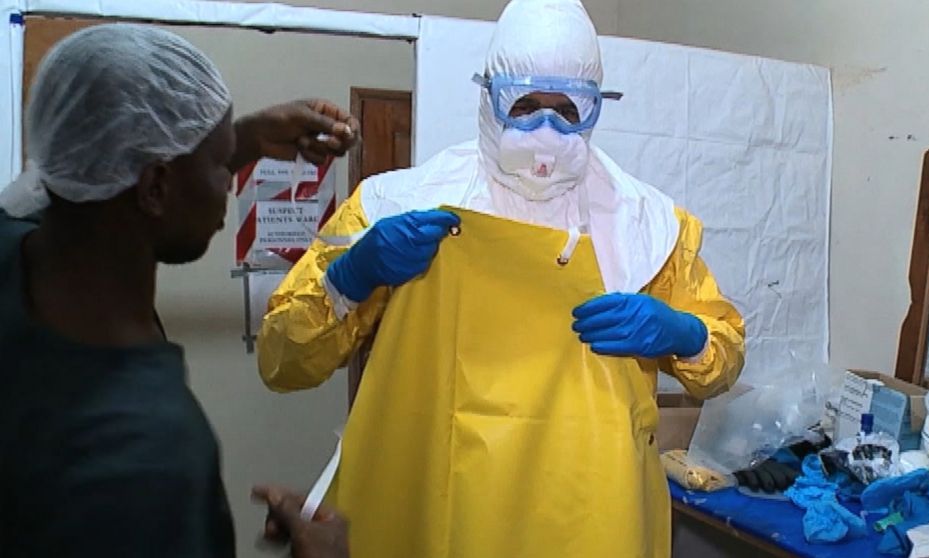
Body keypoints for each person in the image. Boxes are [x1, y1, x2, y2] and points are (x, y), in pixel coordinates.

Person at [257, 0, 745, 556]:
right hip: (442, 503)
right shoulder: (398, 205)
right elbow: (281, 360)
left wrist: (684, 333)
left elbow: (723, 360)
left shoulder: (647, 225)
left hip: (592, 511)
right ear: (489, 96)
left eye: (567, 108)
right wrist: (348, 278)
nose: (545, 128)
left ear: (595, 107)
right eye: (526, 103)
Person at [0, 24, 358, 557]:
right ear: (155, 187)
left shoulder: (18, 248)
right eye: (220, 165)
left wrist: (239, 139)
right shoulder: (146, 454)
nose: (231, 179)